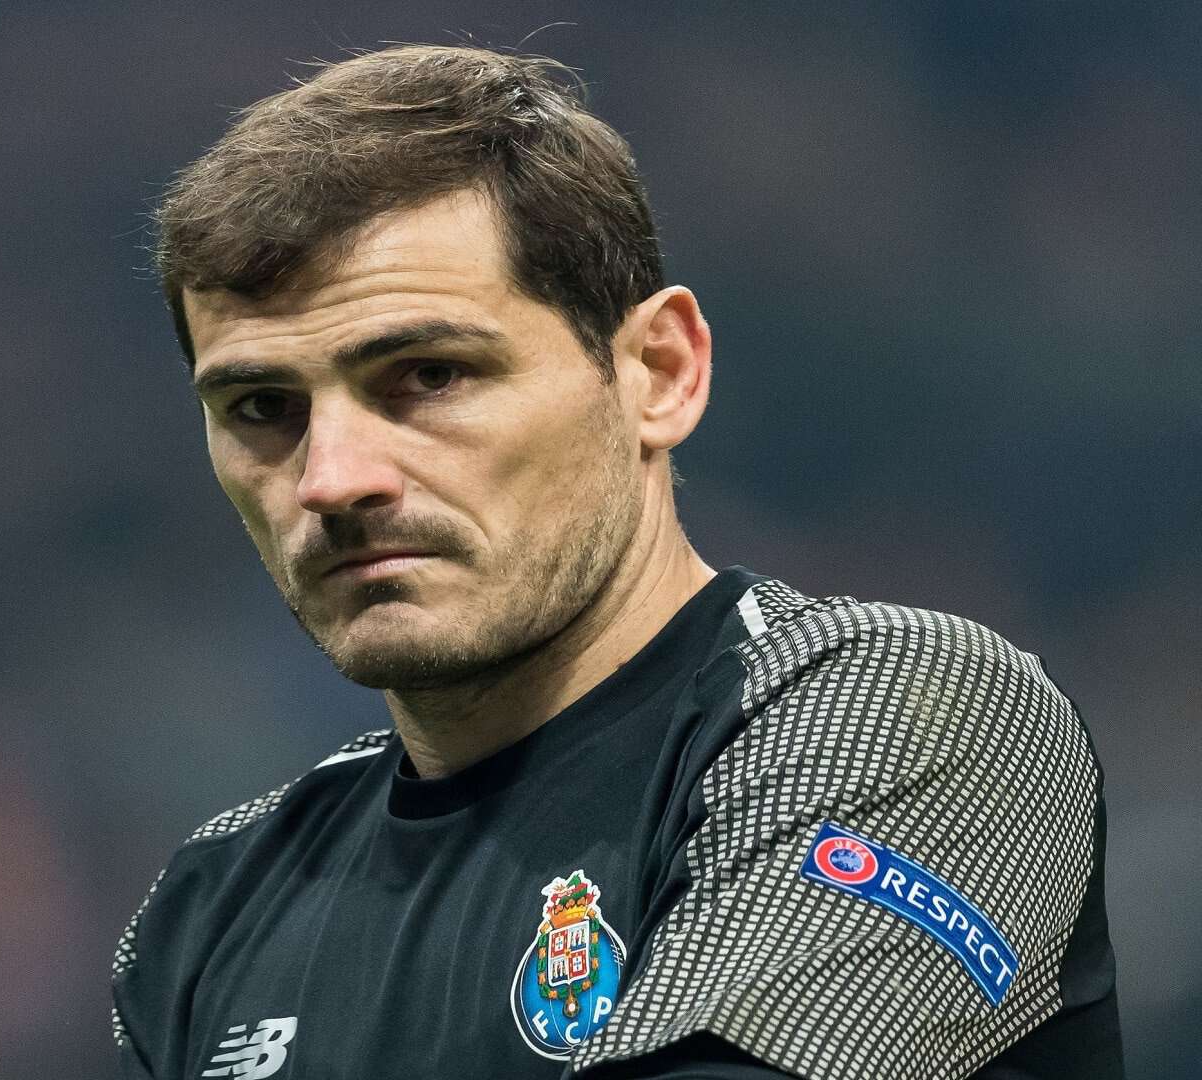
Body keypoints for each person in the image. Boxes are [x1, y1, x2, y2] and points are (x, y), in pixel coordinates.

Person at [110, 44, 1121, 1080]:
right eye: (262, 407)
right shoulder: (214, 907)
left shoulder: (908, 713)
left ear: (659, 373)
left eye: (430, 375)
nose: (331, 479)